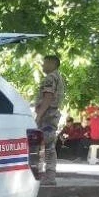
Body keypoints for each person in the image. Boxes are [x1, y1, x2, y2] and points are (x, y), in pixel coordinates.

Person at [33, 54, 65, 185]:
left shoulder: (50, 78)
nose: (43, 65)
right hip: (52, 114)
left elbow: (47, 97)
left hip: (48, 115)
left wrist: (39, 115)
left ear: (52, 63)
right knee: (49, 145)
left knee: (47, 145)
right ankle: (49, 175)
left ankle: (48, 176)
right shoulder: (58, 77)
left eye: (45, 63)